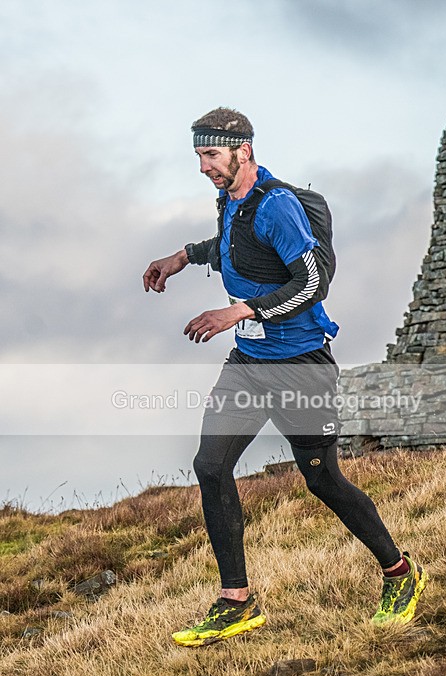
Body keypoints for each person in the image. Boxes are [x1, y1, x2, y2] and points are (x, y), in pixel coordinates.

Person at [143, 107, 427, 647]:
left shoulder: (277, 206)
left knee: (322, 479)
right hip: (248, 367)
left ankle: (399, 573)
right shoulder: (232, 199)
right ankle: (237, 602)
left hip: (300, 368)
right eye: (199, 156)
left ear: (242, 150)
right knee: (210, 465)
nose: (203, 166)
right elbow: (234, 248)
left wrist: (240, 311)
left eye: (211, 155)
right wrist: (183, 256)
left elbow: (311, 284)